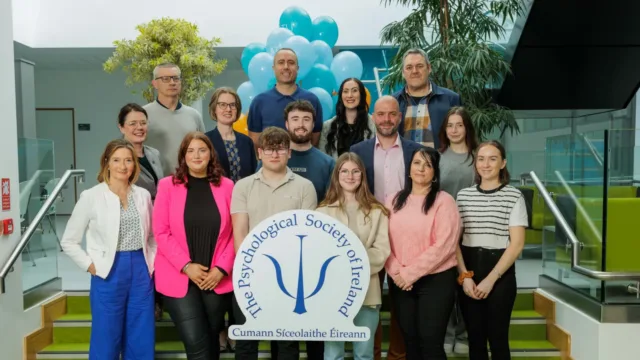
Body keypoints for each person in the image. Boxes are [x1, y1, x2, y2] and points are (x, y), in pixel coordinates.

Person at [60, 139, 156, 359]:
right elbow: (69, 241)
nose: (123, 166)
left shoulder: (142, 195)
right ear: (107, 163)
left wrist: (151, 263)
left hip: (141, 268)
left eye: (128, 160)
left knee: (141, 333)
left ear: (134, 165)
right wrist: (91, 266)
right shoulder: (91, 196)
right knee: (106, 335)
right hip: (107, 271)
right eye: (116, 160)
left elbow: (152, 236)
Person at [231, 127, 317, 360]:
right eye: (269, 149)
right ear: (259, 153)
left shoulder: (304, 187)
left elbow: (306, 236)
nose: (274, 154)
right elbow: (239, 232)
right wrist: (249, 270)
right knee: (247, 342)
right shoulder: (243, 186)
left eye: (280, 149)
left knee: (287, 343)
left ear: (289, 153)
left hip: (289, 278)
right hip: (250, 275)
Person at [350, 95, 424, 360]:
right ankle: (372, 354)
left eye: (392, 114)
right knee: (369, 300)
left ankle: (398, 355)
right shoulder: (358, 151)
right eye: (381, 114)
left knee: (401, 301)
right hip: (369, 234)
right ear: (373, 117)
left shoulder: (416, 151)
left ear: (400, 117)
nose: (387, 119)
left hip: (406, 234)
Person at [153, 132, 235, 360]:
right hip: (180, 276)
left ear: (211, 155)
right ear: (183, 156)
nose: (196, 155)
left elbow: (234, 234)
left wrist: (221, 269)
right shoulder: (168, 186)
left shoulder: (228, 186)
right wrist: (186, 265)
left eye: (202, 150)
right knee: (197, 345)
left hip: (216, 278)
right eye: (190, 150)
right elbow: (161, 231)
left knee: (210, 342)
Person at [385, 147, 461, 360]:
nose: (421, 168)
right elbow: (383, 242)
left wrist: (409, 274)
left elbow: (444, 245)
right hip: (401, 282)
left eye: (428, 165)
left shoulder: (444, 201)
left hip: (436, 282)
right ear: (409, 169)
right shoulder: (392, 200)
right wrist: (398, 272)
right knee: (411, 343)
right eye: (417, 163)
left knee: (431, 344)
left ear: (435, 173)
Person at [456, 140, 528, 360]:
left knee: (497, 339)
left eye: (493, 158)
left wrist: (491, 280)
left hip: (500, 273)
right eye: (481, 159)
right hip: (469, 270)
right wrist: (465, 277)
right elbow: (454, 243)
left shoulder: (514, 196)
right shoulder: (463, 196)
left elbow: (516, 245)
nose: (486, 164)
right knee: (475, 339)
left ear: (503, 163)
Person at [318, 152, 390, 360]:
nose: (350, 176)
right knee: (332, 355)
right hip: (331, 293)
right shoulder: (321, 212)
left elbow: (382, 251)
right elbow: (318, 253)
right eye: (345, 171)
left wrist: (352, 258)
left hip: (367, 292)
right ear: (336, 175)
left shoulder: (377, 211)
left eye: (355, 171)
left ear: (362, 175)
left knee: (364, 354)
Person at [117, 103, 165, 320]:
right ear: (121, 127)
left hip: (158, 220)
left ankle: (156, 306)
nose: (139, 127)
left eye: (143, 123)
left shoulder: (153, 153)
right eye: (132, 123)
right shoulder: (118, 155)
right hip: (133, 224)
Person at [437, 106, 478, 354]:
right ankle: (448, 333)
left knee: (469, 283)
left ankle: (464, 334)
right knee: (446, 287)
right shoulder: (438, 158)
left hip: (473, 232)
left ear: (467, 128)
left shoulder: (479, 158)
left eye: (459, 125)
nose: (454, 130)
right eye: (450, 125)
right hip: (444, 232)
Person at [247, 48, 323, 148]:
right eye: (281, 62)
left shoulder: (312, 100)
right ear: (274, 68)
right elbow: (255, 143)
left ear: (297, 68)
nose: (286, 67)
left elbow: (315, 139)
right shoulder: (259, 102)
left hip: (304, 164)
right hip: (270, 162)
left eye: (291, 63)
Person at [144, 63, 206, 175]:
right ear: (155, 84)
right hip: (155, 184)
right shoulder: (143, 115)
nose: (172, 83)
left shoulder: (194, 115)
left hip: (189, 182)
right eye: (166, 79)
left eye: (175, 78)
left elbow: (204, 150)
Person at [393, 48, 461, 149]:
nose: (414, 71)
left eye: (420, 66)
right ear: (403, 72)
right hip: (405, 164)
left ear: (429, 68)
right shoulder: (394, 102)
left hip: (440, 163)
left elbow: (463, 136)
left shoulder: (451, 99)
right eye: (409, 67)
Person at [283, 99, 335, 203]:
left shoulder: (328, 164)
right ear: (287, 124)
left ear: (313, 124)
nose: (300, 124)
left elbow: (332, 203)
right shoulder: (272, 159)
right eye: (295, 119)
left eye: (306, 119)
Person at [205, 87, 257, 183]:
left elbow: (254, 175)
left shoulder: (247, 142)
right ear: (214, 108)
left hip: (244, 196)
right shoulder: (205, 141)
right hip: (216, 196)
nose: (228, 109)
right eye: (222, 105)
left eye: (232, 105)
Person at [319, 78, 375, 160]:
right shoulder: (327, 127)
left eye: (354, 91)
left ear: (361, 94)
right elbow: (323, 160)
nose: (350, 95)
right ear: (341, 96)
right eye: (345, 91)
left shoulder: (374, 124)